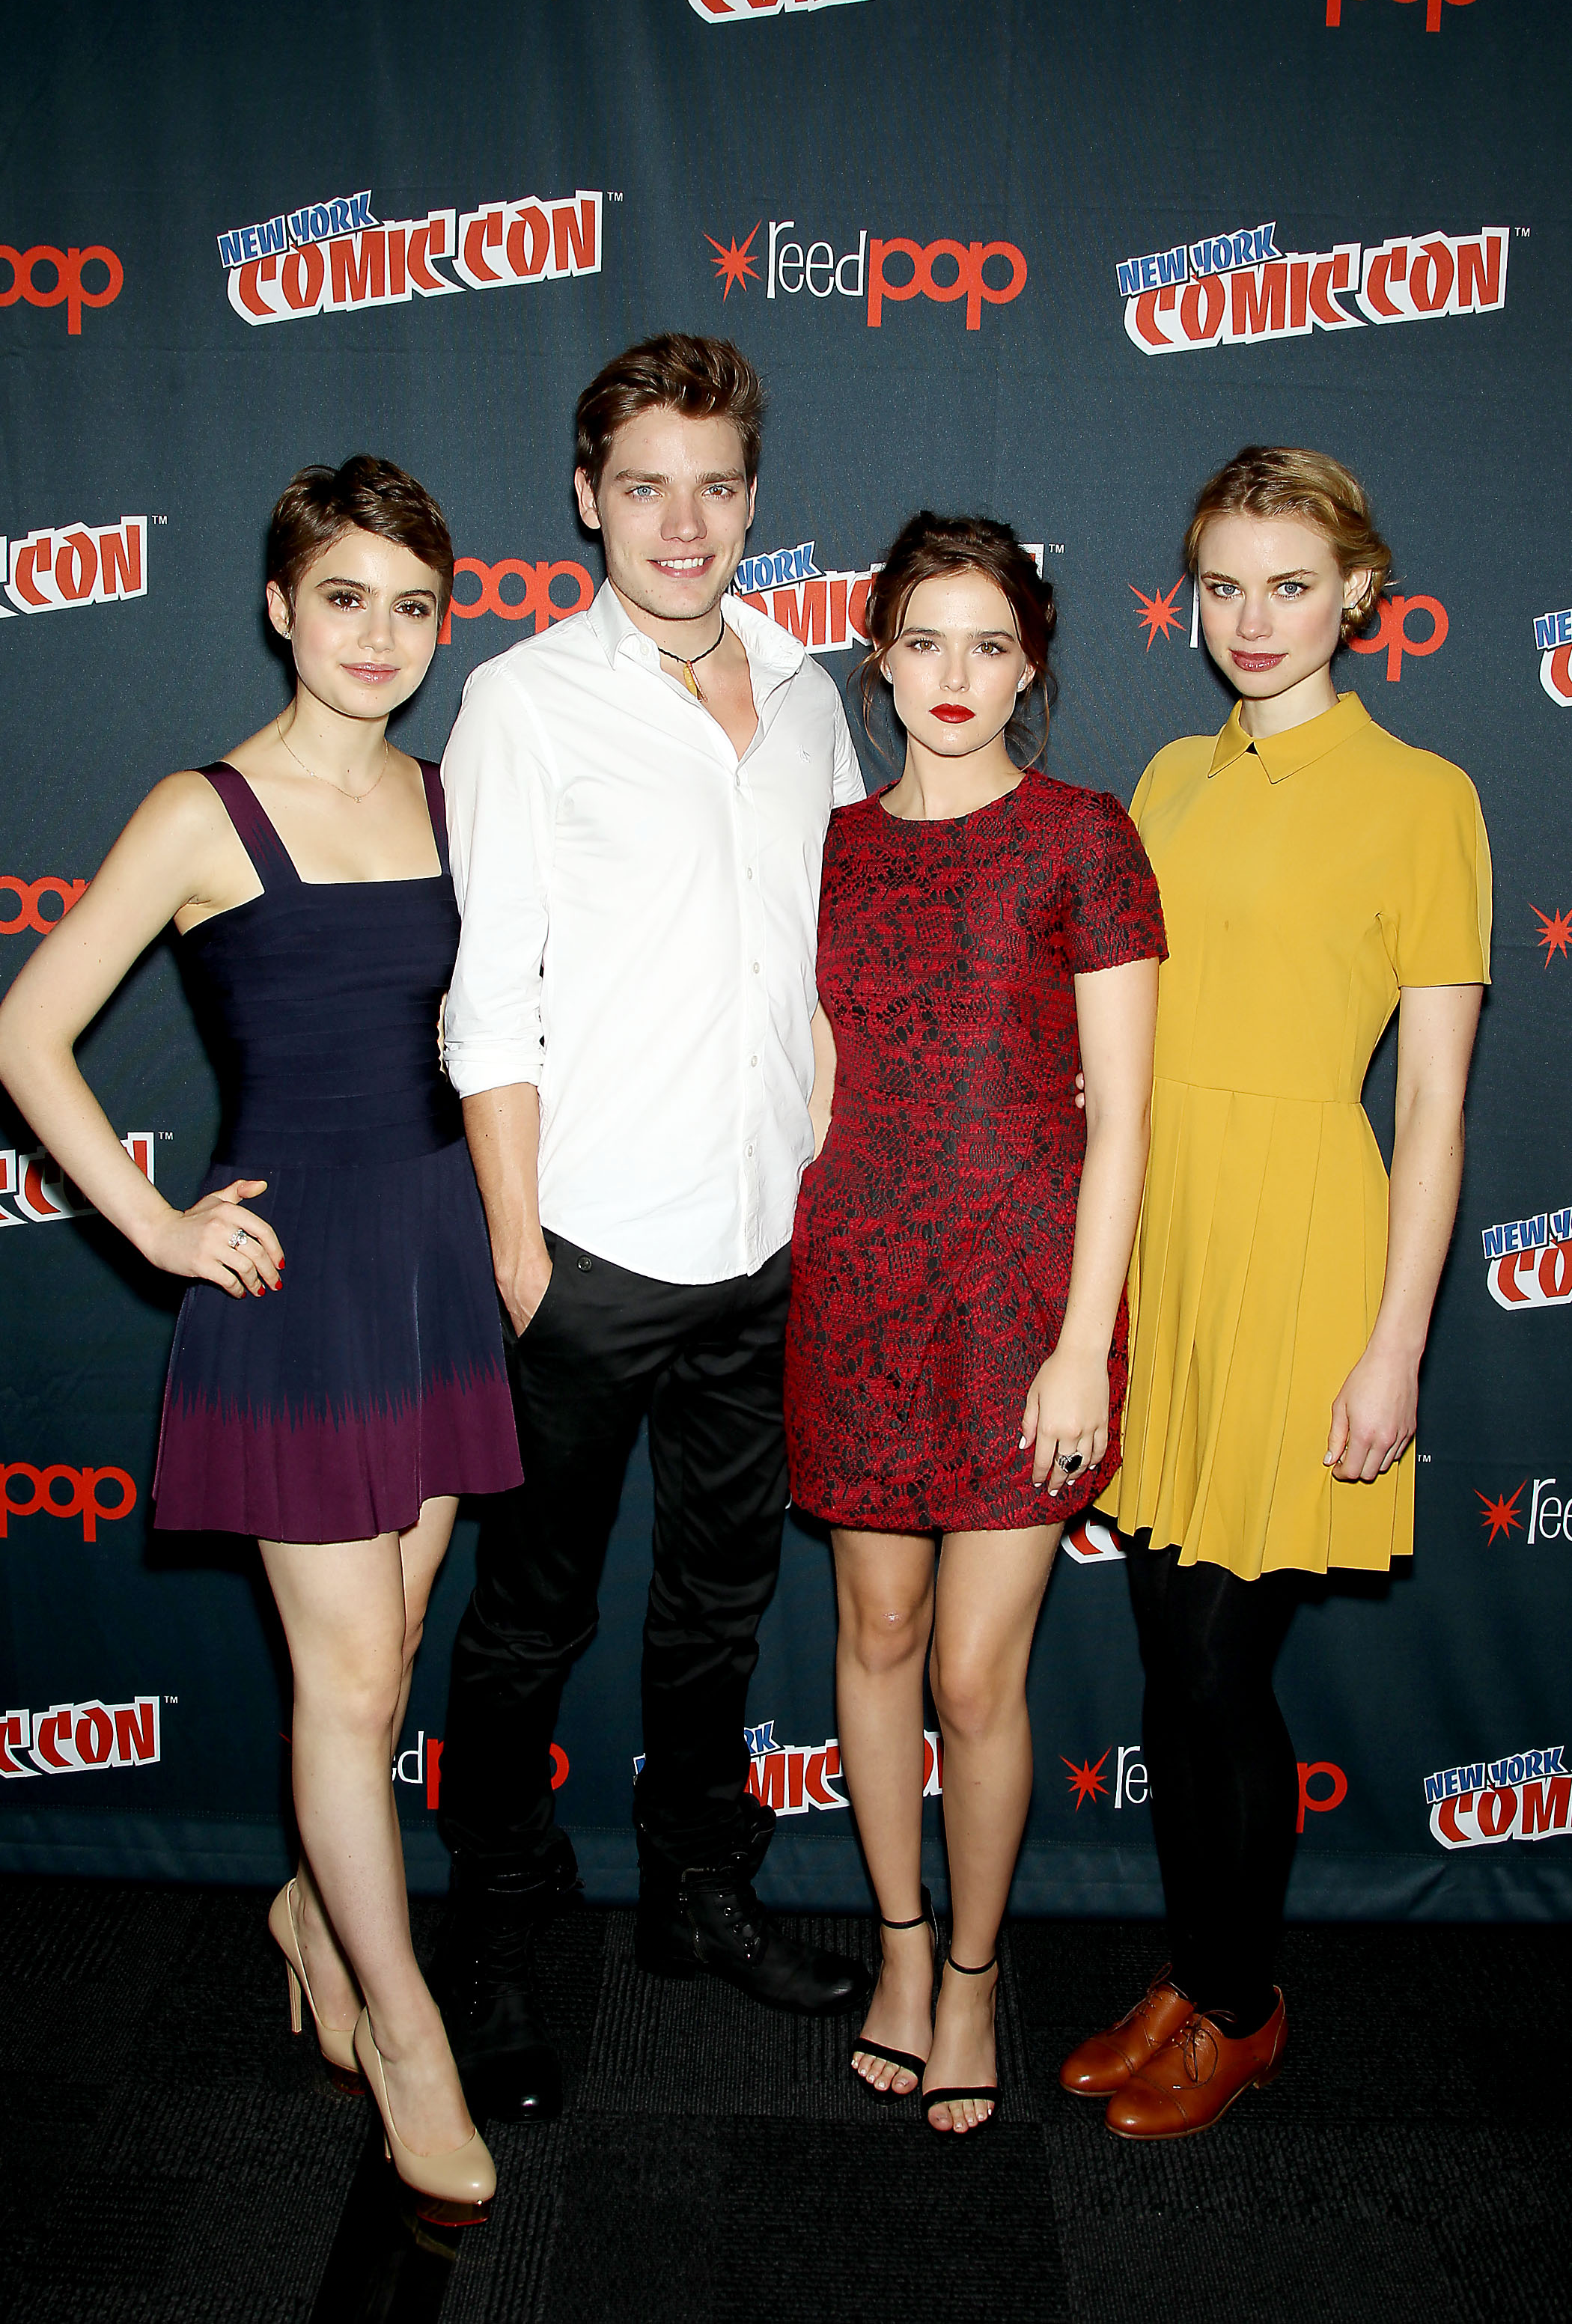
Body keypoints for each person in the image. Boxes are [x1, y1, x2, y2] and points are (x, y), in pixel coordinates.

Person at [0, 457, 520, 2227]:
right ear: (281, 606)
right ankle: (406, 2033)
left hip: (437, 1268)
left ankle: (311, 1908)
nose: (381, 636)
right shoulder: (199, 811)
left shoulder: (458, 797)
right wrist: (156, 1227)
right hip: (293, 1291)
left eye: (415, 605)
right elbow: (29, 1032)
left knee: (396, 1647)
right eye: (346, 598)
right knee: (353, 1685)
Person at [433, 333, 870, 2123]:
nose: (680, 522)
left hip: (767, 1247)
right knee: (525, 1622)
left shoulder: (812, 692)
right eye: (642, 486)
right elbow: (488, 999)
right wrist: (519, 1252)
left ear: (753, 501)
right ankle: (491, 1944)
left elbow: (829, 965)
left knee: (718, 1604)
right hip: (589, 1251)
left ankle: (697, 1888)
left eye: (713, 486)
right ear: (587, 499)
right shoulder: (525, 702)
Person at [1061, 447, 1490, 2140]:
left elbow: (1437, 1105)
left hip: (1305, 1245)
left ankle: (1241, 2011)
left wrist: (1397, 1347)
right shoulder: (1168, 776)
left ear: (1359, 594)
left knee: (1218, 1665)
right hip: (1165, 1242)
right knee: (1173, 1662)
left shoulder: (1425, 796)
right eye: (1225, 585)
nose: (1252, 619)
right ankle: (1198, 1972)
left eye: (1292, 585)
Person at [784, 513, 1166, 2135]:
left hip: (1022, 1304)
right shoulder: (827, 844)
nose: (954, 675)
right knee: (874, 1638)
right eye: (923, 640)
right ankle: (897, 1945)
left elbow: (1124, 1119)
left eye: (990, 644)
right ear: (878, 658)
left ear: (1032, 666)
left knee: (973, 1669)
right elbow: (811, 1079)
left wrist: (1084, 1342)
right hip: (857, 1283)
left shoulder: (1086, 838)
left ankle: (971, 1975)